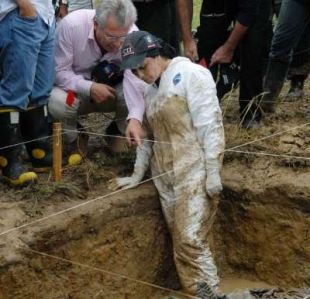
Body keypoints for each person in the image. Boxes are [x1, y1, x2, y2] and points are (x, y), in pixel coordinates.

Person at [109, 31, 225, 298]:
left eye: (142, 67)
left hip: (194, 170)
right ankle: (196, 291)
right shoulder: (151, 93)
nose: (140, 75)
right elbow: (148, 137)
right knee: (182, 242)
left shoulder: (191, 74)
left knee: (190, 239)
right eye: (134, 72)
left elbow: (211, 124)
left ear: (156, 55)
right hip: (166, 176)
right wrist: (137, 174)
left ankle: (211, 294)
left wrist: (213, 171)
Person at [48, 0, 147, 156]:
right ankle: (75, 137)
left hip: (111, 93)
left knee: (139, 91)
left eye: (123, 37)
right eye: (111, 37)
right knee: (57, 101)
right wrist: (89, 87)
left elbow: (134, 78)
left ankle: (119, 131)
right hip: (76, 94)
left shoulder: (133, 34)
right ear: (95, 23)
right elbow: (59, 72)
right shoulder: (71, 26)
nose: (118, 44)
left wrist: (135, 117)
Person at [177, 0, 273, 129]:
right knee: (206, 46)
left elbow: (248, 12)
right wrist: (187, 39)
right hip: (217, 5)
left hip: (254, 5)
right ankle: (205, 105)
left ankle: (250, 112)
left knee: (253, 48)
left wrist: (228, 48)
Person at [0, 0, 55, 186]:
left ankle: (38, 153)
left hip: (45, 16)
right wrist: (25, 6)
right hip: (21, 14)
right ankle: (10, 162)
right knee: (15, 90)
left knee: (41, 89)